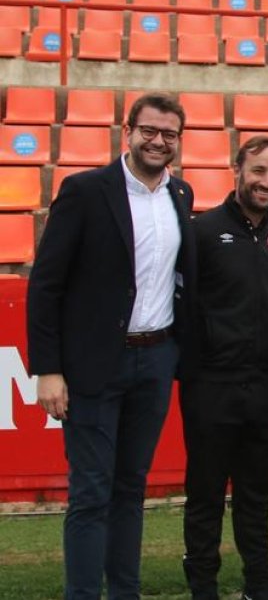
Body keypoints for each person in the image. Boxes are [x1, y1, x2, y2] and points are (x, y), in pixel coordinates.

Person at [28, 93, 196, 599]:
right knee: (90, 493)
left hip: (156, 359)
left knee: (131, 490)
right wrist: (48, 370)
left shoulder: (181, 196)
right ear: (128, 132)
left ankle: (125, 592)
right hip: (95, 365)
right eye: (149, 131)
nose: (158, 141)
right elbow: (46, 285)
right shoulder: (85, 191)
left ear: (178, 142)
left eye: (169, 134)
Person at [181, 136, 268, 600]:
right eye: (258, 171)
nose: (266, 182)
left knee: (256, 495)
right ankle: (203, 587)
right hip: (210, 385)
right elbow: (181, 305)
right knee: (205, 493)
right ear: (236, 170)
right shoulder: (202, 232)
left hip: (265, 384)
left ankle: (259, 585)